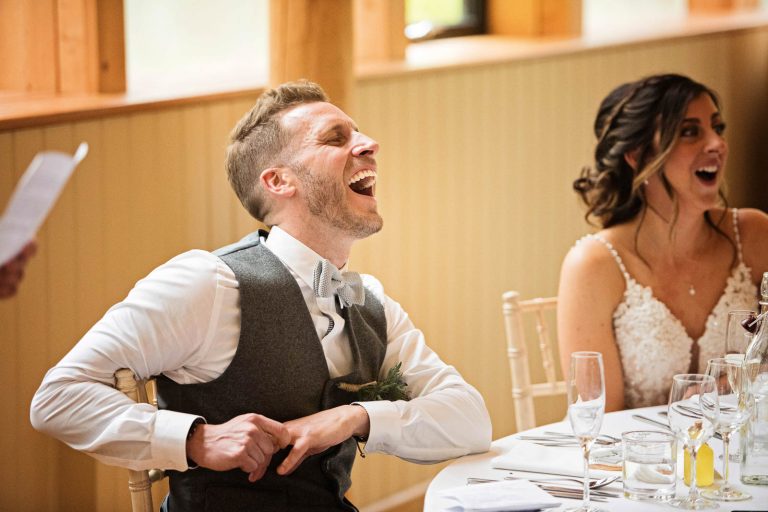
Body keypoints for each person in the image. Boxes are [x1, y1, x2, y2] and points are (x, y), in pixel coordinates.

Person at [30, 80, 491, 511]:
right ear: (278, 182)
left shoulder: (369, 302)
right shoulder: (208, 284)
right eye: (335, 138)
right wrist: (193, 440)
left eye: (361, 133)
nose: (370, 144)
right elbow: (58, 397)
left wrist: (358, 418)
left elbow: (469, 420)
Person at [557, 74, 768, 412]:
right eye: (689, 131)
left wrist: (740, 382)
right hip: (642, 462)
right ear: (637, 154)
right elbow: (600, 424)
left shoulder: (755, 234)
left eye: (717, 127)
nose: (717, 143)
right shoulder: (594, 265)